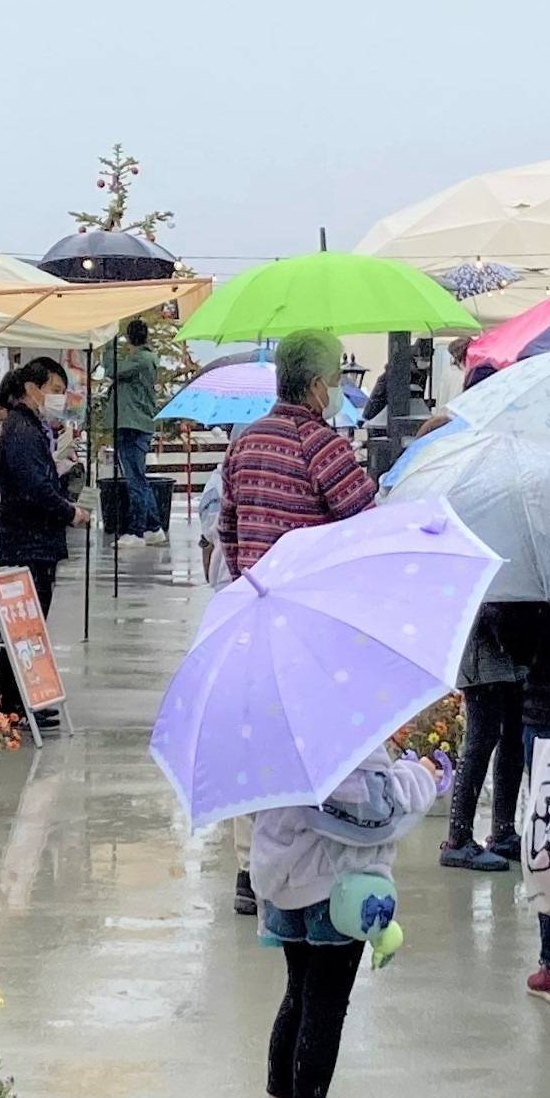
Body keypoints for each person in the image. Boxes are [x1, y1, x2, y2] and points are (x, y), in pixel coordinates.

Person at [218, 329, 379, 914]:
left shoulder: (245, 442)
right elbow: (366, 525)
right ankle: (305, 869)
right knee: (313, 745)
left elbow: (227, 530)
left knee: (258, 740)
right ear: (316, 385)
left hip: (257, 616)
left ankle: (249, 871)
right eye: (336, 379)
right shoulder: (323, 445)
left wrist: (253, 578)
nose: (337, 390)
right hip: (314, 625)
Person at [241, 744, 437, 1098]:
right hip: (335, 886)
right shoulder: (340, 730)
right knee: (325, 1006)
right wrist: (421, 776)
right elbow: (373, 812)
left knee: (298, 994)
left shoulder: (274, 729)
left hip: (282, 881)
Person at [0, 361, 78, 724]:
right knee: (24, 625)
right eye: (54, 388)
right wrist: (69, 512)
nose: (58, 397)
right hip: (29, 542)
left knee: (29, 623)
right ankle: (15, 703)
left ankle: (20, 700)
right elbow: (35, 487)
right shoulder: (21, 430)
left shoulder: (28, 427)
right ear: (32, 387)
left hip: (33, 541)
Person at [439, 597, 550, 875]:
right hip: (482, 652)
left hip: (511, 652)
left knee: (512, 736)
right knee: (481, 739)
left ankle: (503, 831)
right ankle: (458, 837)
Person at [103, 318, 170, 538]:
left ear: (129, 338)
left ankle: (137, 530)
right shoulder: (145, 359)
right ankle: (154, 527)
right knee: (138, 477)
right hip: (137, 424)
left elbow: (111, 369)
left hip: (132, 425)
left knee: (135, 479)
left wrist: (108, 342)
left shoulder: (139, 360)